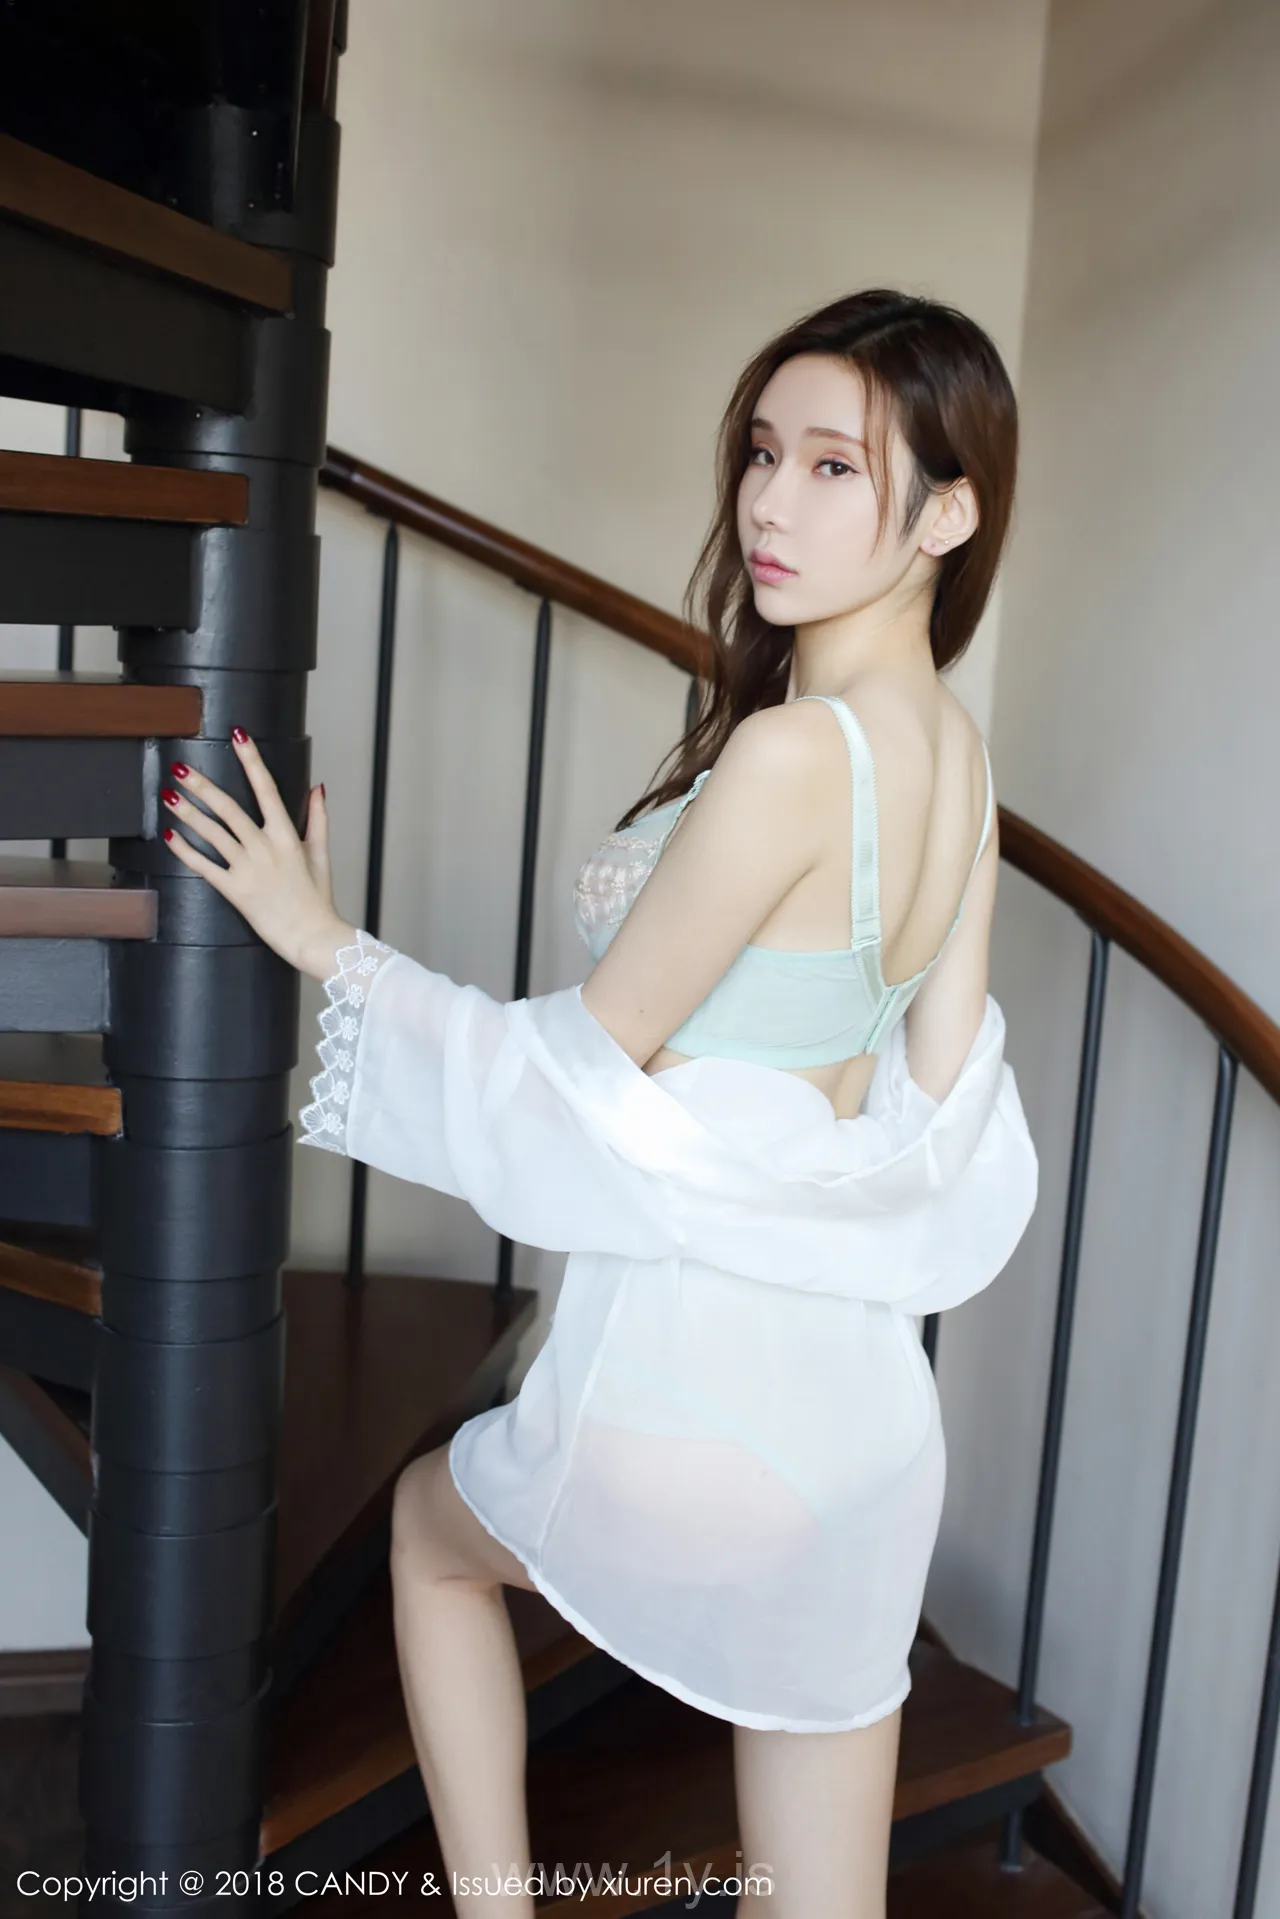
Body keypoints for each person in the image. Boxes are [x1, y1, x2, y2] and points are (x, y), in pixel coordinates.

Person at [160, 288, 1038, 1918]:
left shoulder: (796, 758)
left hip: (683, 1396)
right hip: (863, 1434)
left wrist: (323, 942)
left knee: (429, 1537)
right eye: (762, 451)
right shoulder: (966, 771)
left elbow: (583, 1070)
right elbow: (937, 1119)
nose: (769, 502)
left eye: (835, 466)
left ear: (949, 512)